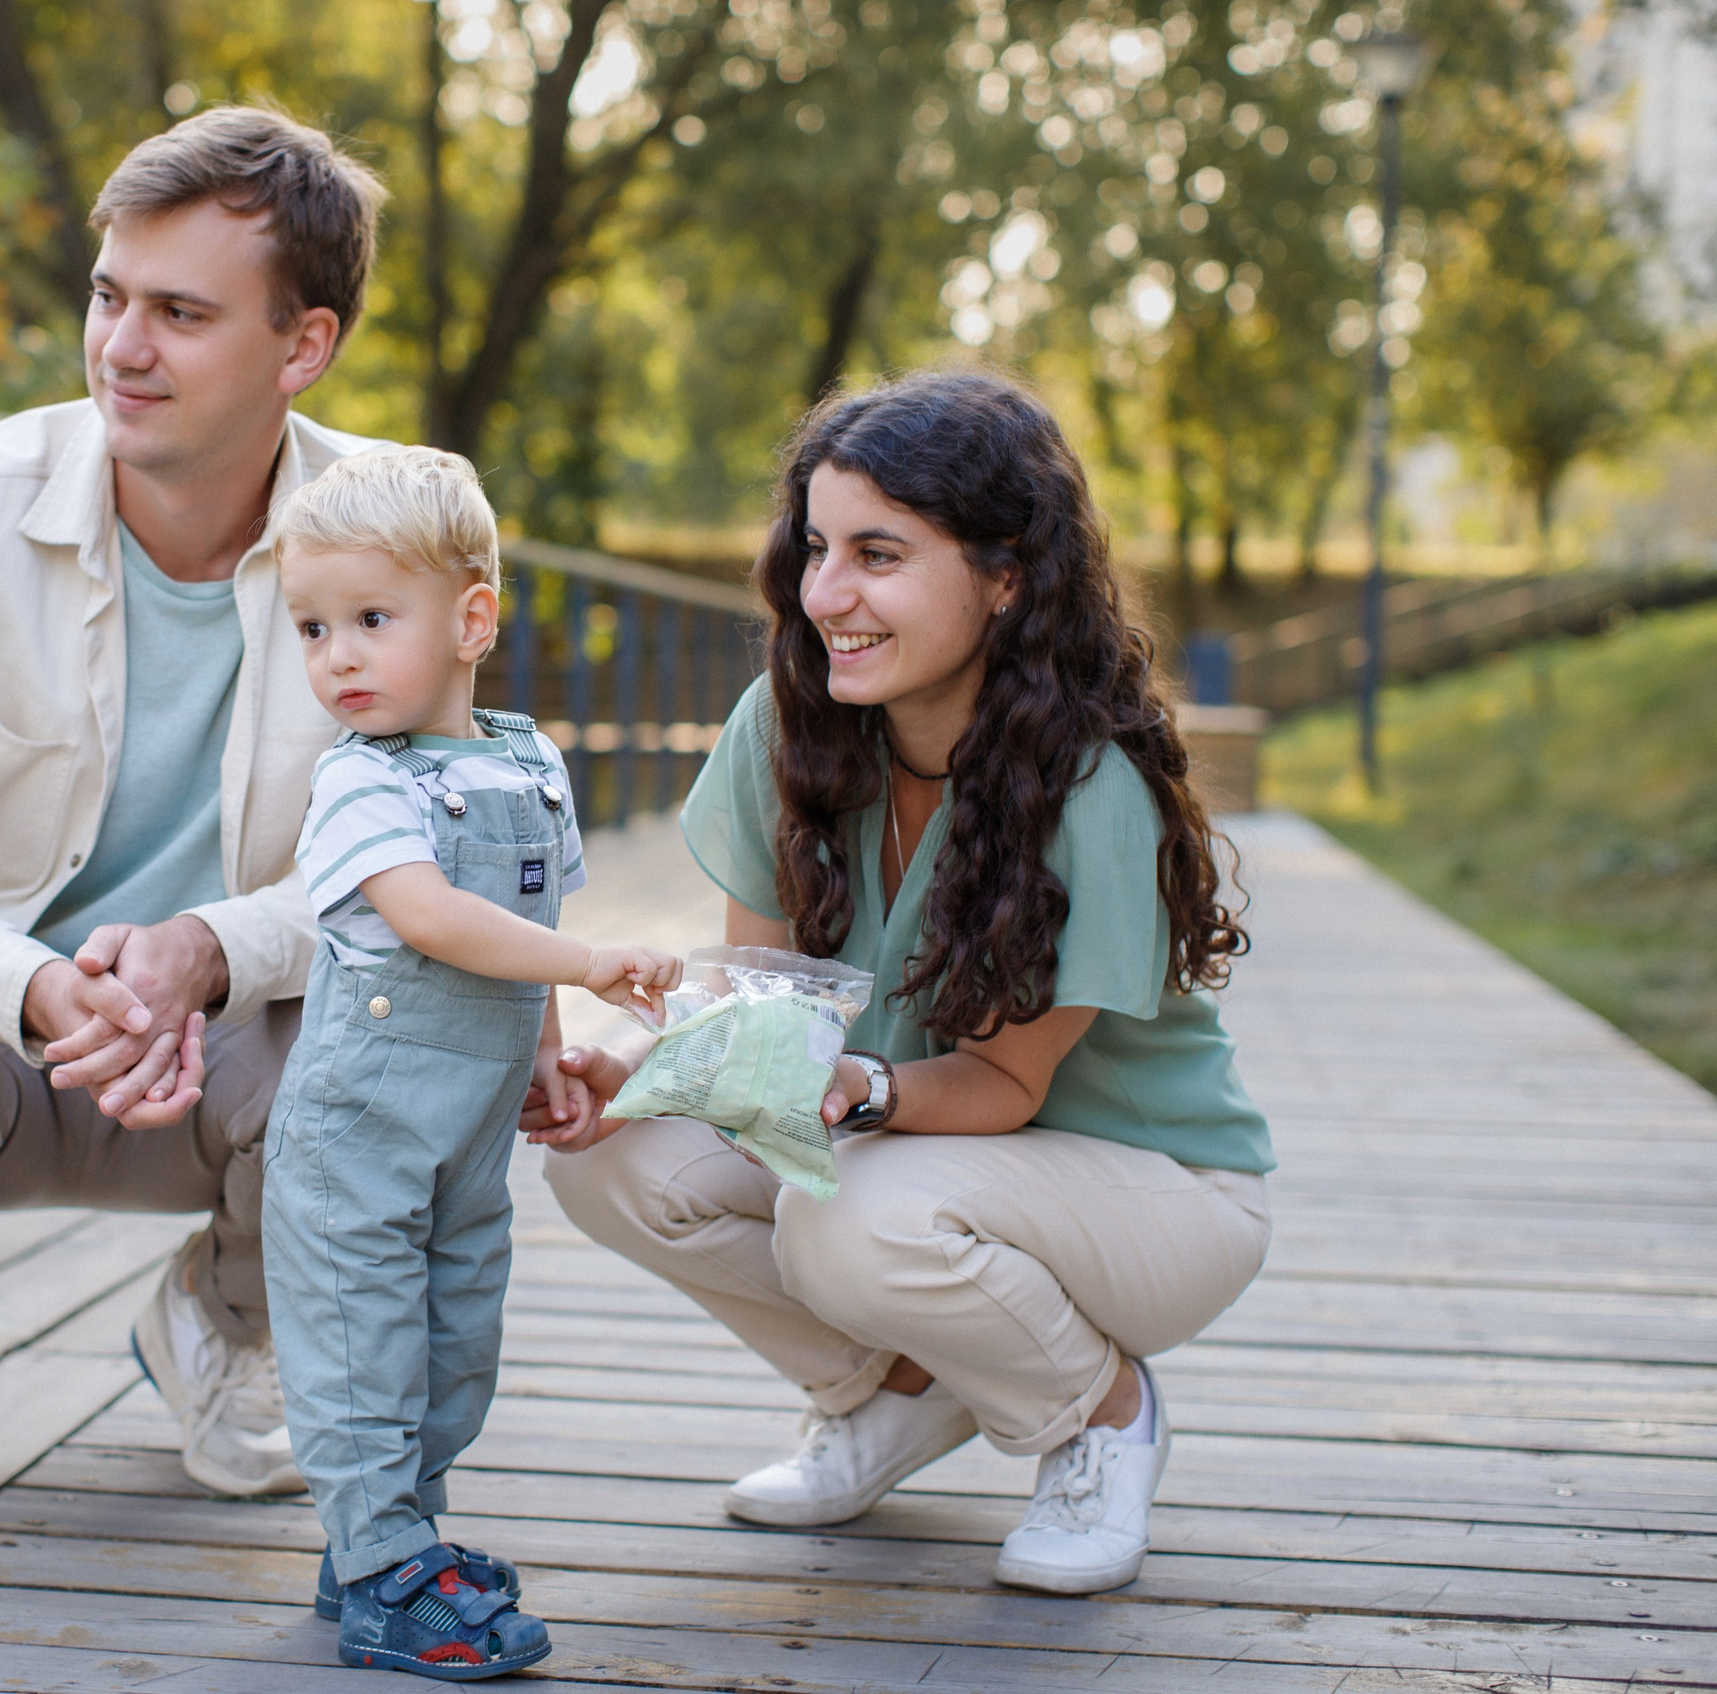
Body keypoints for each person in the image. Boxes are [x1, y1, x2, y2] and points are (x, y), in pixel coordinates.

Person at [529, 370, 1275, 1597]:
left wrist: (856, 1088)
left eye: (878, 555)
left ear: (1006, 575)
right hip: (911, 1155)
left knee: (850, 1214)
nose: (826, 595)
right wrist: (639, 1071)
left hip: (1153, 1195)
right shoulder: (784, 726)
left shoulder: (1091, 788)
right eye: (817, 549)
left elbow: (999, 1088)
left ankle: (1101, 1414)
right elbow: (761, 1008)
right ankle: (897, 1392)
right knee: (611, 1160)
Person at [0, 106, 389, 1503]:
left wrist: (213, 949)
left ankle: (226, 1317)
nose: (121, 347)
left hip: (239, 1051)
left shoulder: (395, 530)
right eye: (110, 296)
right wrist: (36, 985)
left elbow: (423, 858)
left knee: (413, 1041)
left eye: (180, 312)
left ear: (303, 345)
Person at [260, 446, 678, 1677]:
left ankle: (386, 1542)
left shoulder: (526, 764)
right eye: (312, 628)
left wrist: (547, 1050)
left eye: (370, 620)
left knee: (454, 1336)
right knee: (362, 1340)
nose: (337, 657)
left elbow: (525, 918)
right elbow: (433, 917)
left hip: (469, 1134)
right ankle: (387, 1566)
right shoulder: (358, 782)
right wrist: (591, 964)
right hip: (358, 1133)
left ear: (471, 621)